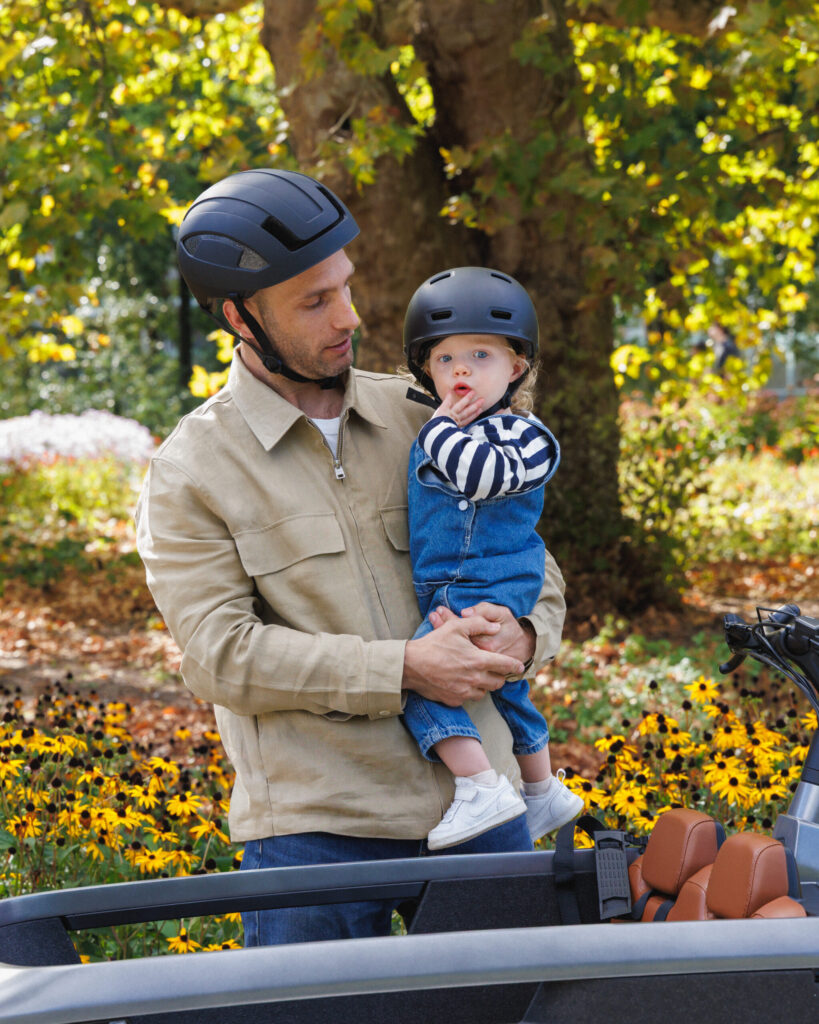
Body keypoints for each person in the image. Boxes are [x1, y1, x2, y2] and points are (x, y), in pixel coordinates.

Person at [135, 168, 568, 947]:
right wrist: (403, 667)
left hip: (486, 811)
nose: (349, 317)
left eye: (345, 286)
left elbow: (528, 553)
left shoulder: (427, 414)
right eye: (313, 300)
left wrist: (525, 631)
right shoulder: (191, 469)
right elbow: (220, 658)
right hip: (314, 834)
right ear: (240, 315)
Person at [401, 268, 583, 850]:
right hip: (457, 578)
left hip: (479, 581)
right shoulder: (447, 425)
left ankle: (479, 784)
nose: (460, 370)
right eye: (444, 358)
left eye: (480, 355)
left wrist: (435, 433)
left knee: (421, 680)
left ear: (517, 367)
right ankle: (541, 791)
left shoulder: (525, 435)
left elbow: (484, 479)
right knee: (508, 689)